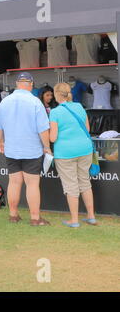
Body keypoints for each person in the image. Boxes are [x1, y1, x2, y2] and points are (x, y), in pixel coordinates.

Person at [0, 72, 51, 226]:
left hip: (12, 148)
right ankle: (35, 218)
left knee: (14, 182)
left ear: (17, 84)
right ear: (31, 84)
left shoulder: (5, 101)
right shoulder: (35, 102)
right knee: (32, 184)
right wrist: (47, 147)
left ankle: (13, 215)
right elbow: (43, 130)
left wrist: (1, 142)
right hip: (32, 149)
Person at [50, 83, 97, 228]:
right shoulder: (79, 107)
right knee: (85, 182)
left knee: (71, 185)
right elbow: (87, 129)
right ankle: (91, 217)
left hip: (65, 153)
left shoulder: (55, 112)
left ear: (57, 94)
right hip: (85, 150)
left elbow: (53, 138)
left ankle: (74, 220)